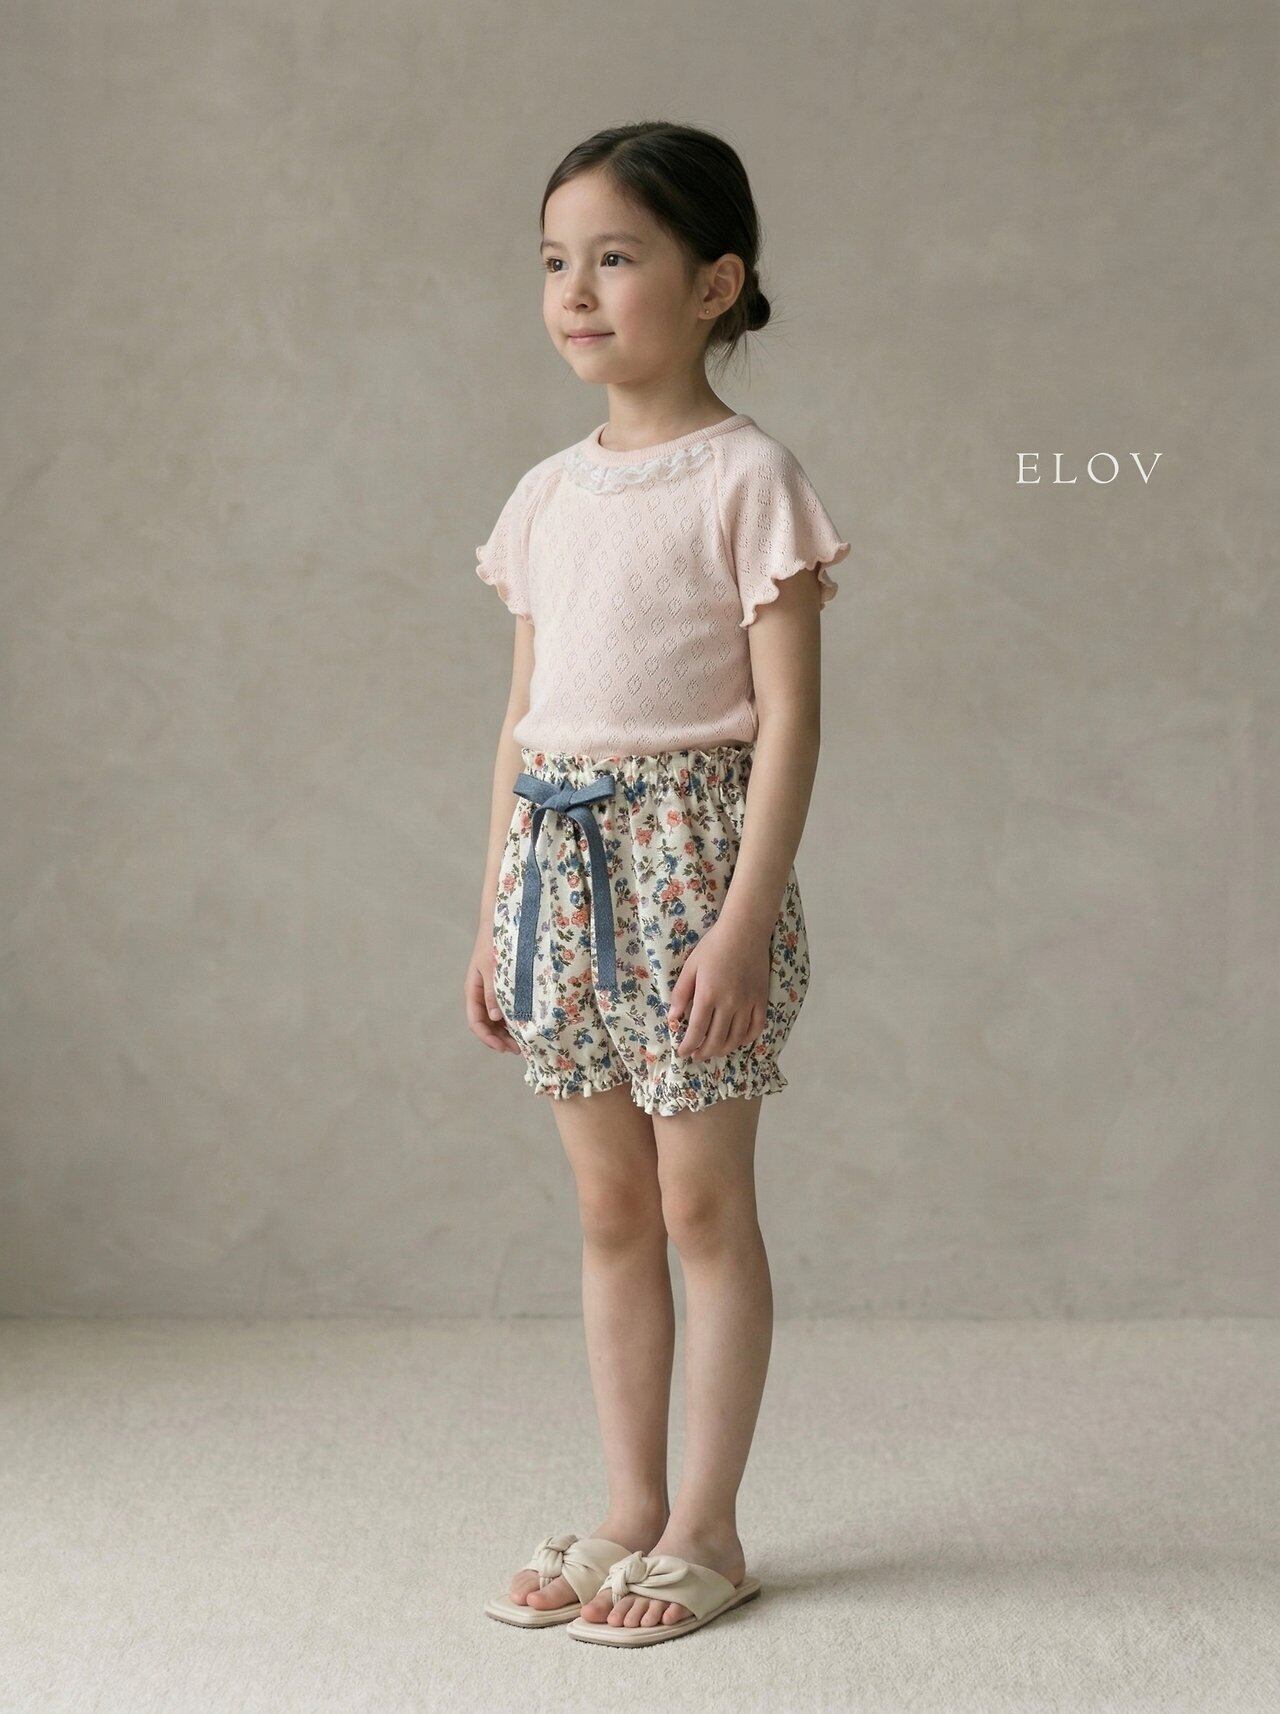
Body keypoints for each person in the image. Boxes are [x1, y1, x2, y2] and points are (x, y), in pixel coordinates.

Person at [466, 121, 850, 1647]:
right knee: (611, 1206)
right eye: (556, 260)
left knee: (701, 1202)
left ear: (713, 284)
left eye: (615, 257)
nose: (575, 290)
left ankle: (709, 1524)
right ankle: (628, 1504)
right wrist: (493, 916)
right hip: (556, 873)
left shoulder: (751, 479)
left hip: (694, 868)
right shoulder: (545, 494)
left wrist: (744, 920)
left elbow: (792, 722)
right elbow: (523, 717)